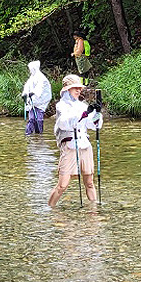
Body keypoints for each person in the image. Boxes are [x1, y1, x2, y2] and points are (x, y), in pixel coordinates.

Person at [49, 74, 102, 207]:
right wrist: (82, 115)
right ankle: (50, 209)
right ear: (67, 90)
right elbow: (64, 123)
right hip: (70, 146)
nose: (78, 90)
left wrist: (96, 115)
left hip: (85, 145)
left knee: (89, 182)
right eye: (75, 88)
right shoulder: (61, 106)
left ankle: (93, 210)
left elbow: (91, 125)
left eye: (79, 88)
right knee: (62, 185)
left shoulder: (82, 105)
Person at [21, 60, 52, 135]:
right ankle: (29, 134)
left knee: (38, 119)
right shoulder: (32, 78)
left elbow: (40, 88)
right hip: (32, 101)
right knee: (31, 119)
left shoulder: (41, 78)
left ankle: (39, 135)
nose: (30, 71)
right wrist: (25, 94)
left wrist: (34, 93)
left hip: (41, 101)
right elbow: (27, 86)